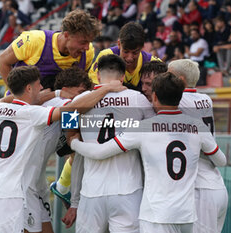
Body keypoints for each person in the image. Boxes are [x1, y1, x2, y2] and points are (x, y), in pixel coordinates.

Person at [0, 65, 125, 233]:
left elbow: (6, 100)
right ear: (29, 88)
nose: (42, 88)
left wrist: (55, 93)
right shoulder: (36, 112)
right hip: (14, 191)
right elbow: (73, 109)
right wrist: (106, 88)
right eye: (81, 92)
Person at [69, 72, 227, 233]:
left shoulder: (143, 127)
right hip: (185, 214)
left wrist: (73, 143)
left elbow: (98, 152)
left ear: (155, 97)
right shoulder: (197, 127)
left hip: (152, 213)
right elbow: (221, 161)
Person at [53, 22, 161, 204]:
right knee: (78, 137)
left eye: (135, 53)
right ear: (118, 44)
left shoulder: (154, 64)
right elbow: (93, 93)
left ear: (142, 49)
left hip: (133, 111)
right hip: (108, 108)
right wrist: (71, 132)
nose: (129, 57)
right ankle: (65, 188)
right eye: (126, 51)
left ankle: (72, 196)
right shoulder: (106, 58)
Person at [62, 54, 155, 232]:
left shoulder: (78, 103)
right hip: (128, 190)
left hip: (91, 191)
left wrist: (75, 201)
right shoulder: (138, 99)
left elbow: (70, 134)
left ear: (97, 76)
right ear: (122, 77)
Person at [23, 67, 92, 233]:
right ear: (66, 90)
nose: (84, 98)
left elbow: (76, 153)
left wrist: (74, 202)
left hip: (37, 182)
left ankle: (60, 187)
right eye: (81, 92)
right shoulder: (64, 105)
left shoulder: (65, 109)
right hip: (22, 184)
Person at [168, 59, 228, 233]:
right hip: (214, 182)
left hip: (201, 189)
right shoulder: (206, 99)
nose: (165, 78)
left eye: (169, 75)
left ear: (180, 79)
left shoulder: (180, 102)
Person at [0, 9, 100, 90]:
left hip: (58, 110)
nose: (87, 47)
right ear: (66, 35)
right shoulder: (34, 41)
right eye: (83, 42)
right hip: (23, 108)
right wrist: (17, 94)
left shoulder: (88, 52)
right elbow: (2, 61)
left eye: (89, 42)